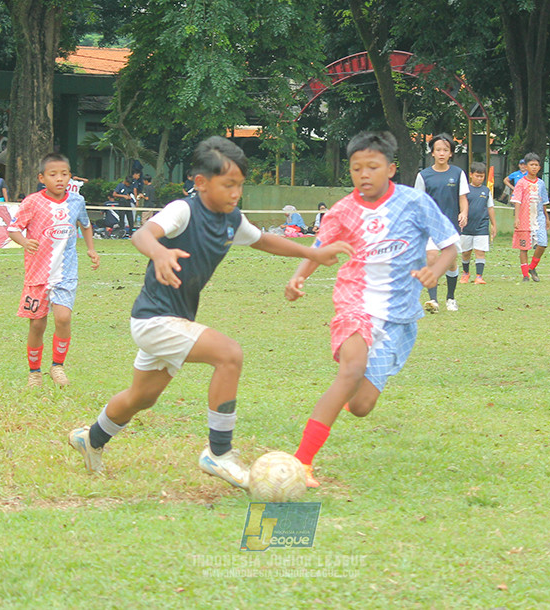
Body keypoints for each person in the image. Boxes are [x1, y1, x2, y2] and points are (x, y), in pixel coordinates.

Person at [66, 136, 350, 488]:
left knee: (142, 397)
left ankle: (90, 439)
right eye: (228, 184)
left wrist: (312, 254)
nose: (235, 193)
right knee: (229, 354)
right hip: (154, 319)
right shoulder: (184, 210)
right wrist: (158, 253)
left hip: (175, 320)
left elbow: (263, 240)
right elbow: (143, 234)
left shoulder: (232, 219)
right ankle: (219, 453)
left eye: (240, 185)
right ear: (201, 183)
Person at [285, 131, 459, 488]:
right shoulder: (343, 211)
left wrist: (434, 272)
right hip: (354, 304)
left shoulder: (414, 203)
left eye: (372, 167)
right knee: (350, 371)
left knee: (363, 406)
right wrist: (298, 277)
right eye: (356, 169)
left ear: (391, 169)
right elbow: (320, 248)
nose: (364, 174)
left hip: (399, 317)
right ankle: (302, 461)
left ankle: (345, 401)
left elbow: (450, 248)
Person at [7, 153, 99, 389]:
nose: (60, 179)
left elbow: (86, 225)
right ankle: (34, 372)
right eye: (53, 174)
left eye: (64, 174)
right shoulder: (33, 202)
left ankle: (57, 366)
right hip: (37, 274)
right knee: (37, 324)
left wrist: (91, 250)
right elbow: (13, 229)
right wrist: (25, 242)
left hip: (66, 272)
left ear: (70, 176)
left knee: (63, 318)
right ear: (42, 178)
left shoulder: (76, 201)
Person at [414, 133, 468, 312]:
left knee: (451, 263)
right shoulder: (423, 176)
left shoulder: (458, 173)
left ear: (451, 153)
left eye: (446, 150)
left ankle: (451, 298)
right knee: (431, 258)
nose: (442, 153)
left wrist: (464, 213)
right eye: (438, 150)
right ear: (432, 153)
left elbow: (462, 198)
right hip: (429, 226)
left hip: (450, 226)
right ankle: (433, 301)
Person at [511, 152, 550, 281]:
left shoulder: (541, 184)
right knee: (524, 247)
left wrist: (547, 218)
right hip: (524, 218)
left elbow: (544, 202)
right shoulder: (521, 183)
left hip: (538, 219)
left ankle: (532, 267)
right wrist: (516, 218)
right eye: (531, 164)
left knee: (543, 244)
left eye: (536, 165)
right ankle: (525, 275)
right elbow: (517, 201)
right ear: (526, 167)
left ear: (539, 167)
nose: (534, 167)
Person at [458, 162, 497, 284]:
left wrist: (494, 224)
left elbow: (490, 208)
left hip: (482, 226)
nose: (479, 179)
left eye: (482, 176)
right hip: (466, 226)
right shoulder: (465, 190)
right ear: (471, 175)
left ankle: (479, 276)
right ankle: (465, 273)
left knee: (480, 251)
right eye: (477, 176)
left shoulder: (486, 191)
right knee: (466, 252)